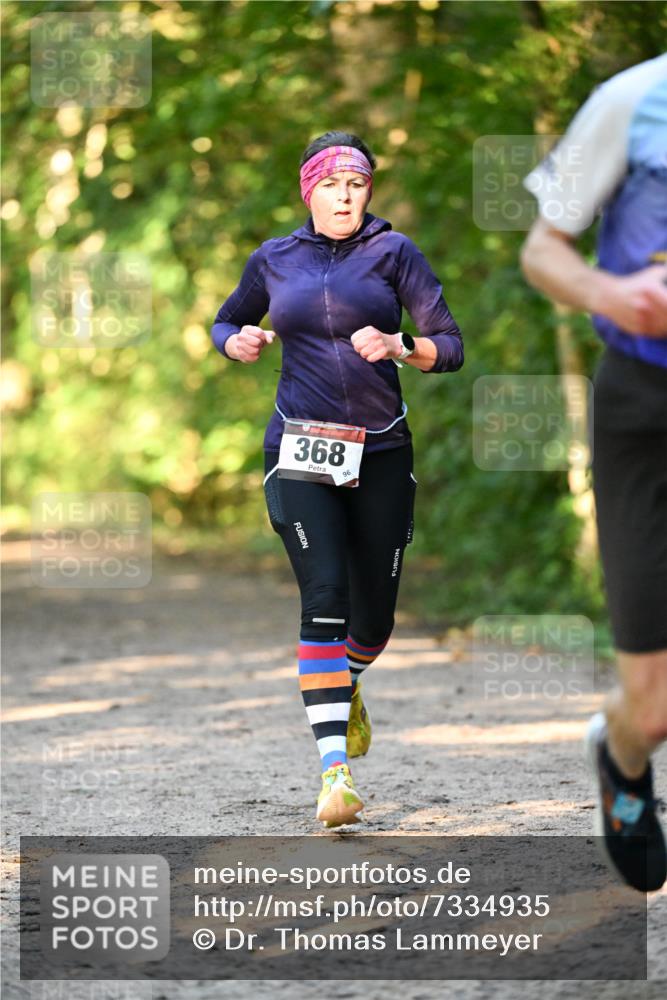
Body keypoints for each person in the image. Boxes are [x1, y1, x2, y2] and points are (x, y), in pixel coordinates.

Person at [211, 130, 463, 828]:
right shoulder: (275, 260)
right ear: (309, 191)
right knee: (322, 595)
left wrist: (399, 346)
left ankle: (342, 681)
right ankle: (334, 776)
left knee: (373, 623)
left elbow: (451, 345)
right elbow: (227, 317)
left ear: (367, 191)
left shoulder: (394, 252)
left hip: (379, 452)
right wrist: (233, 340)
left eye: (355, 183)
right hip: (298, 449)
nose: (344, 195)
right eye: (331, 184)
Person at [520, 54, 667, 891]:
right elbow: (544, 253)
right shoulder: (631, 100)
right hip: (644, 405)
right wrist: (610, 295)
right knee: (653, 709)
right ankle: (619, 751)